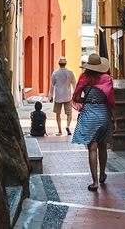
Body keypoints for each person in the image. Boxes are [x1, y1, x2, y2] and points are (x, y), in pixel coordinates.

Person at [70, 54, 117, 191]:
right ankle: (102, 175)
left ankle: (95, 182)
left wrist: (87, 100)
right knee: (103, 146)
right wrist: (115, 119)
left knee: (92, 149)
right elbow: (110, 100)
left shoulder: (83, 78)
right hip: (103, 114)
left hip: (89, 115)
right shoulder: (107, 79)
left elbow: (76, 98)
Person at [49, 56, 77, 136]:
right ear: (65, 63)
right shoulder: (70, 73)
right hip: (67, 96)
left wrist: (50, 96)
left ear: (59, 64)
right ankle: (68, 126)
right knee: (69, 113)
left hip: (58, 96)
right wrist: (75, 93)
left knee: (58, 114)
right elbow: (74, 84)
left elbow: (52, 85)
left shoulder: (55, 73)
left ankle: (60, 130)